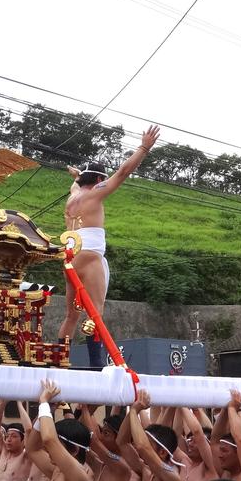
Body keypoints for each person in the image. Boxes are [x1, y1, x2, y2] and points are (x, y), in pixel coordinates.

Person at [58, 125, 160, 366]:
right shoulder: (95, 193)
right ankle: (96, 364)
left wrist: (77, 174)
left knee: (71, 316)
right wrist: (144, 147)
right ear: (98, 180)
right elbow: (122, 173)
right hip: (91, 256)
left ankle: (58, 360)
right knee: (95, 312)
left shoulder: (72, 197)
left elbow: (77, 183)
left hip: (70, 259)